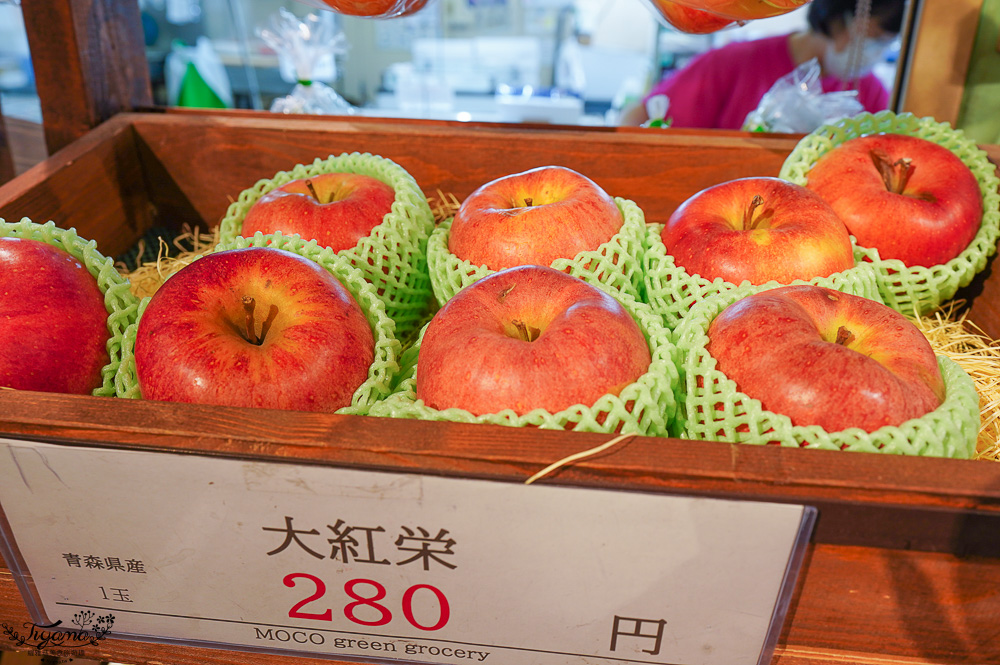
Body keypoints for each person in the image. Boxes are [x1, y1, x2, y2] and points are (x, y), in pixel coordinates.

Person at [619, 0, 905, 129]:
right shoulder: (735, 62)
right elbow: (637, 118)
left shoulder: (869, 92)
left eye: (884, 44)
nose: (873, 53)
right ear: (836, 19)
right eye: (873, 40)